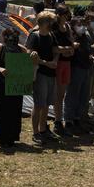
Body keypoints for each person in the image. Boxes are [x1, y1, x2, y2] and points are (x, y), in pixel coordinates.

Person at [0, 27, 27, 147]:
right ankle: (1, 136)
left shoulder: (20, 48)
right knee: (3, 110)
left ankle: (12, 136)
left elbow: (28, 56)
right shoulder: (1, 47)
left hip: (16, 82)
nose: (12, 39)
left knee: (15, 110)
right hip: (4, 81)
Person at [26, 11, 59, 144]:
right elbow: (30, 56)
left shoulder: (51, 35)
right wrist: (47, 63)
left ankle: (43, 129)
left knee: (46, 104)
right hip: (40, 74)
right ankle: (35, 133)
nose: (52, 24)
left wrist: (55, 61)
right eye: (50, 22)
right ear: (44, 23)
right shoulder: (34, 36)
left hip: (51, 73)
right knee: (39, 104)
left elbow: (55, 50)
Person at [52, 4, 75, 137]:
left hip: (67, 63)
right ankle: (57, 121)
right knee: (57, 95)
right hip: (59, 63)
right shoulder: (54, 28)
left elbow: (71, 41)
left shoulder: (67, 27)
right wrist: (66, 49)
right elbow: (54, 46)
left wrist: (71, 47)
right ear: (59, 15)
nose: (68, 16)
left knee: (62, 94)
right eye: (66, 14)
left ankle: (60, 120)